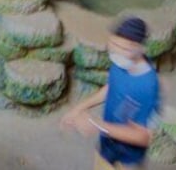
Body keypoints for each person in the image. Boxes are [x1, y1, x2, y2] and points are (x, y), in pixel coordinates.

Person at [60, 16, 160, 169]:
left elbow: (144, 136)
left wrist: (97, 125)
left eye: (124, 48)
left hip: (129, 156)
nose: (116, 51)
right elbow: (111, 87)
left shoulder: (148, 85)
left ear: (139, 48)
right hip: (107, 146)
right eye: (113, 44)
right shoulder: (122, 62)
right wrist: (79, 108)